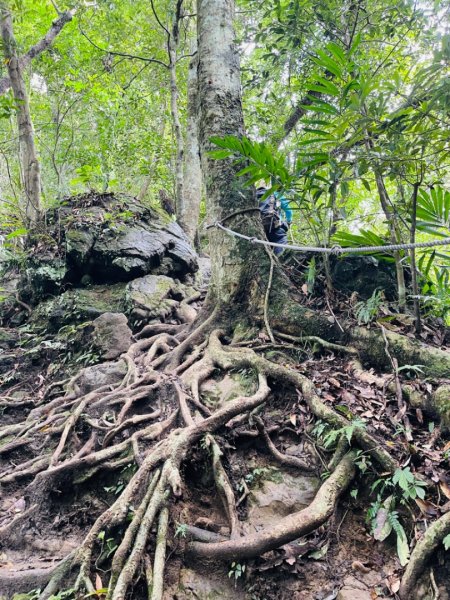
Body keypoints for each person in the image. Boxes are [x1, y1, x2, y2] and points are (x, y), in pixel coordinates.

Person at [256, 186, 292, 255]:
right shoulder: (276, 194)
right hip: (275, 227)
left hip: (260, 229)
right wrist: (288, 222)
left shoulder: (254, 197)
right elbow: (289, 211)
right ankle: (281, 262)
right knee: (281, 245)